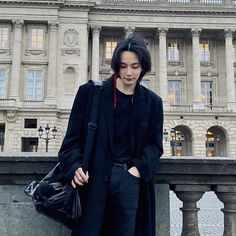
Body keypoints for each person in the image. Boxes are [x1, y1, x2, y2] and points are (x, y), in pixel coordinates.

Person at [58, 34, 163, 236]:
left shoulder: (152, 103)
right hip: (93, 181)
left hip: (130, 181)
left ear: (144, 67)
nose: (129, 72)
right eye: (123, 66)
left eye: (135, 66)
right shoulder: (90, 93)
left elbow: (154, 146)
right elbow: (70, 143)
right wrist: (75, 166)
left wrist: (136, 171)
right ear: (116, 65)